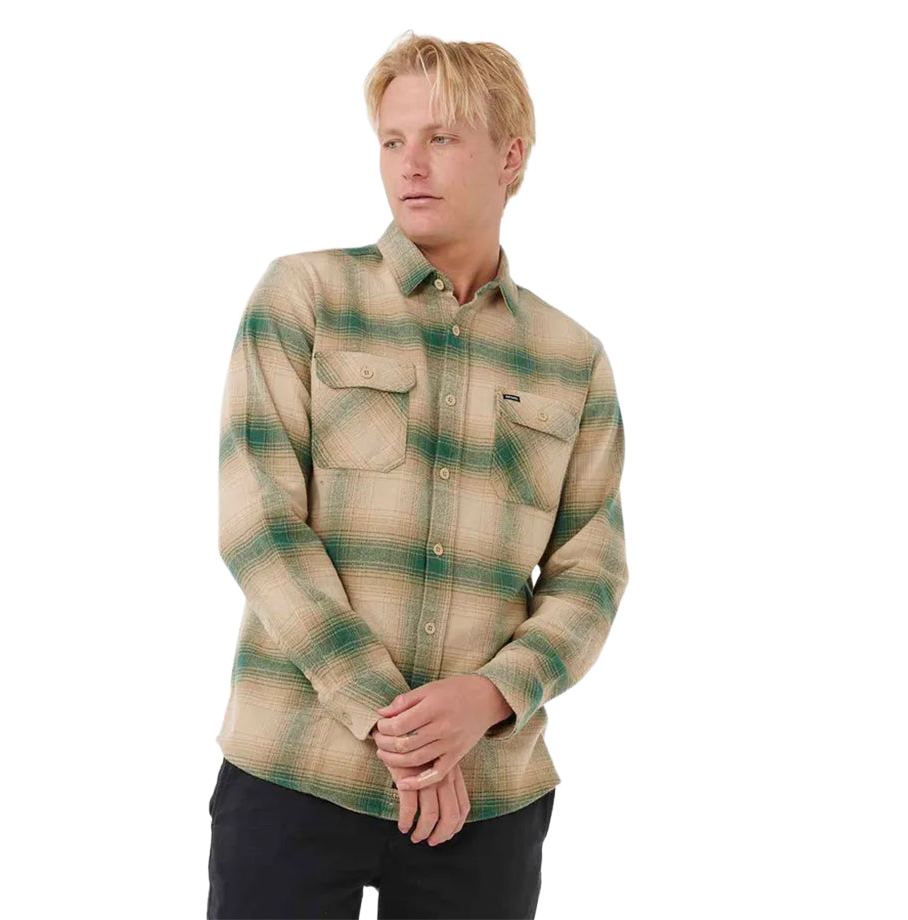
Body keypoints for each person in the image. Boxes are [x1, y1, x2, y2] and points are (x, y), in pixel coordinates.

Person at [209, 30, 629, 920]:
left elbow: (591, 575)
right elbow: (260, 525)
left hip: (488, 797)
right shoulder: (303, 298)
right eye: (393, 140)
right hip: (295, 768)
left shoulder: (572, 359)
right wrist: (396, 724)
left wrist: (489, 698)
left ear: (510, 157)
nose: (411, 164)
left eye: (442, 138)